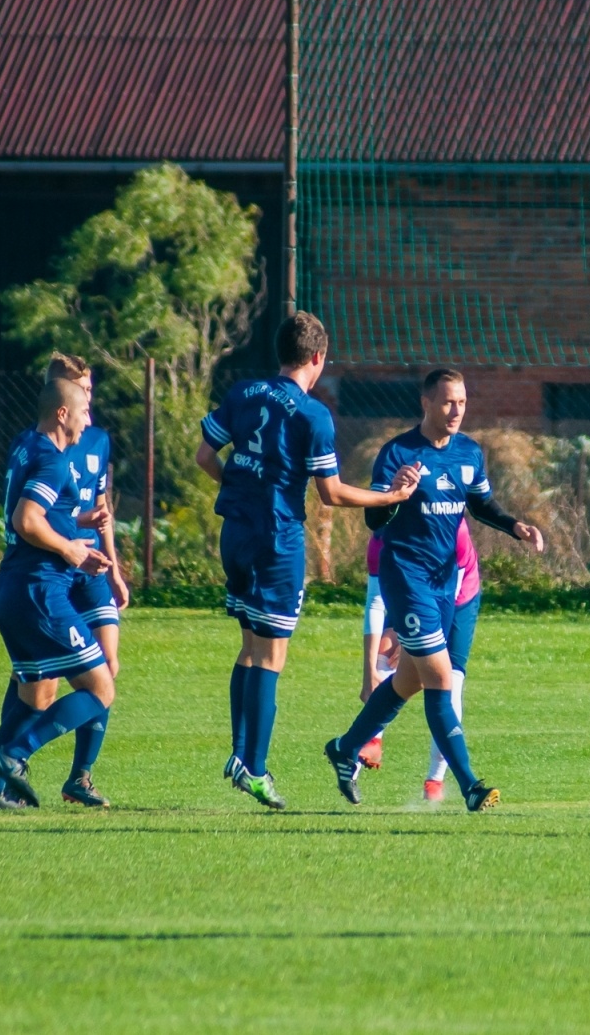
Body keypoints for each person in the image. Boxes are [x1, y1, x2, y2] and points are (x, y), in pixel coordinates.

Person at [196, 312, 419, 810]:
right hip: (278, 540)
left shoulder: (244, 393)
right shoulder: (312, 413)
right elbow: (332, 494)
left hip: (235, 532)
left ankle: (241, 756)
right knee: (271, 656)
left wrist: (240, 490)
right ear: (318, 357)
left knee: (250, 648)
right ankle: (253, 768)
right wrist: (389, 498)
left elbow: (204, 457)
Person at [324, 368, 543, 811]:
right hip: (406, 579)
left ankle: (346, 748)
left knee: (408, 681)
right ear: (426, 404)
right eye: (447, 402)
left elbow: (480, 503)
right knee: (441, 679)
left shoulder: (468, 452)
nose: (456, 410)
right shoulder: (398, 452)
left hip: (447, 584)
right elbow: (373, 521)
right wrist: (395, 494)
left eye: (462, 402)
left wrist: (513, 525)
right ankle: (471, 787)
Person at [0, 354, 129, 810]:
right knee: (100, 688)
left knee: (32, 692)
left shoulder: (27, 448)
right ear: (62, 412)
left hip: (13, 587)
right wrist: (71, 548)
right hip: (39, 589)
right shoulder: (54, 460)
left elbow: (39, 513)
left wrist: (79, 523)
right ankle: (13, 757)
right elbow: (26, 518)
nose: (88, 421)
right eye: (83, 410)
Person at [357, 520, 483, 803]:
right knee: (384, 654)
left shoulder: (452, 527)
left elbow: (452, 587)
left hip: (456, 597)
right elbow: (375, 604)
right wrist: (368, 674)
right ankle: (369, 742)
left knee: (448, 680)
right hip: (411, 592)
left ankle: (434, 781)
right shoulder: (381, 541)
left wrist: (423, 640)